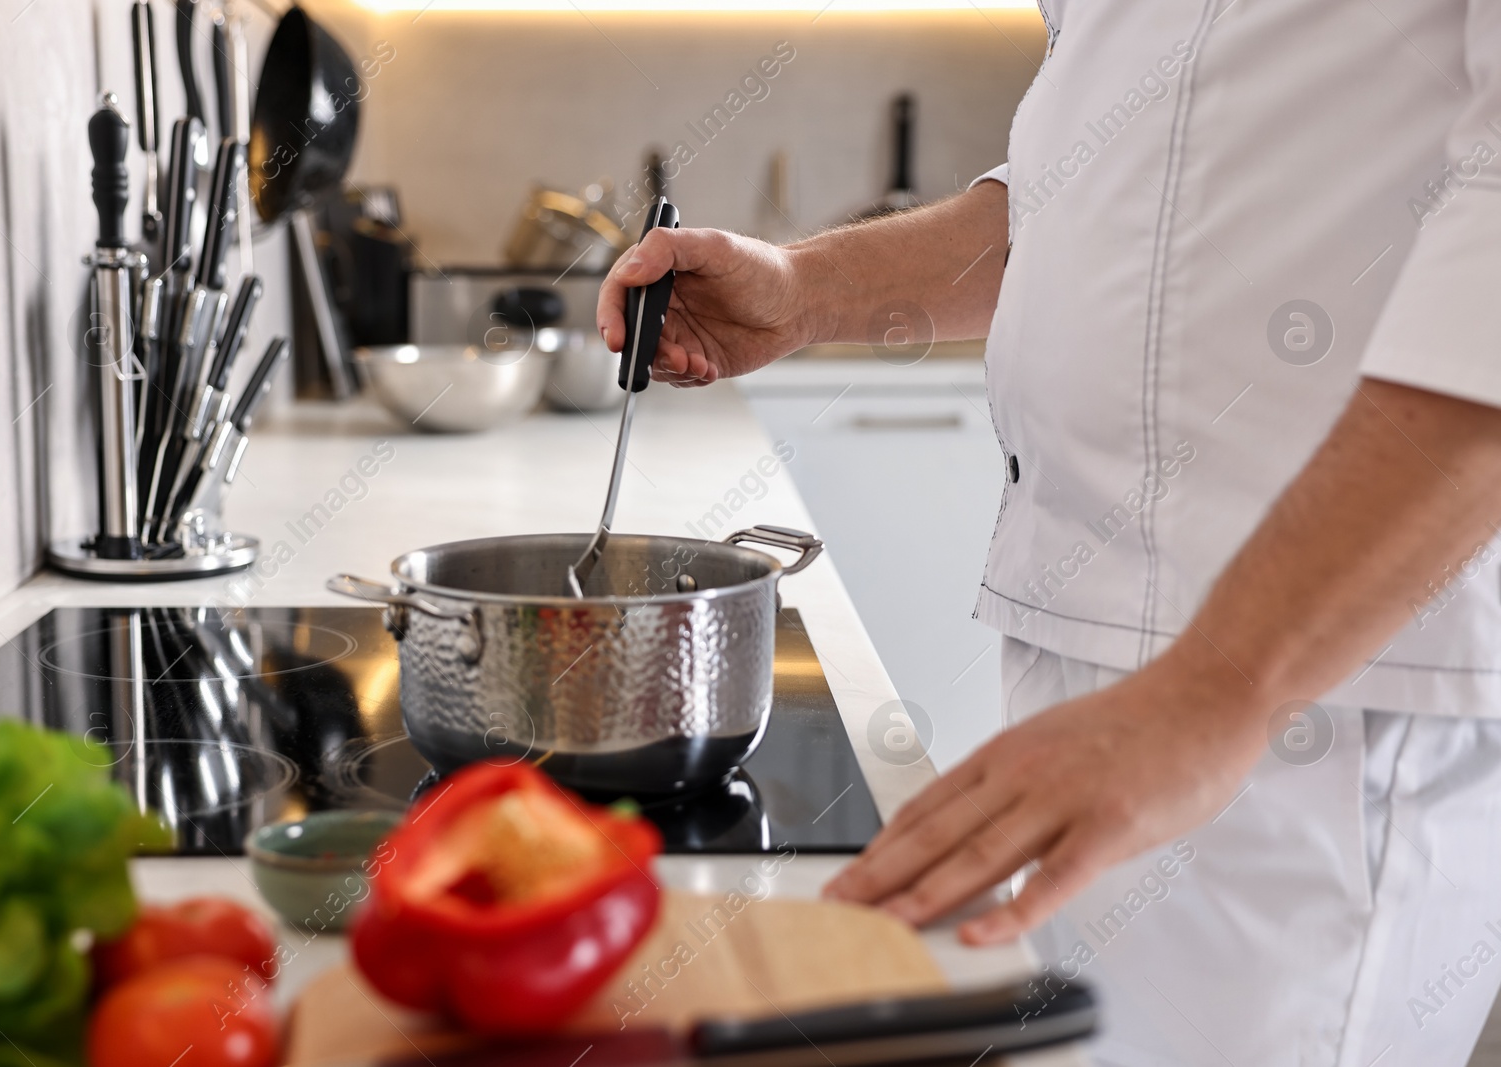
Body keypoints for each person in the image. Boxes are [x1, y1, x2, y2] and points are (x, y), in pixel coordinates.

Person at [594, 2, 1501, 1063]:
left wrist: (1220, 684)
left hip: (1309, 695)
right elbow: (1096, 184)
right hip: (1104, 661)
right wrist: (807, 292)